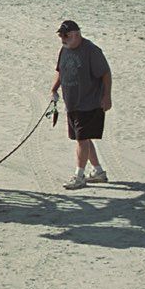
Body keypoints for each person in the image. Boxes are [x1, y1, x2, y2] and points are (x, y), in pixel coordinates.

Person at [49, 19, 112, 187]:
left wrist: (107, 96)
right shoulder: (64, 49)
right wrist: (54, 90)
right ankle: (98, 172)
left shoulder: (91, 51)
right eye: (61, 35)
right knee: (82, 137)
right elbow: (60, 71)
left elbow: (105, 73)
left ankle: (79, 176)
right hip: (72, 103)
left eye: (66, 35)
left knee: (81, 139)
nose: (63, 38)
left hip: (90, 102)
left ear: (77, 34)